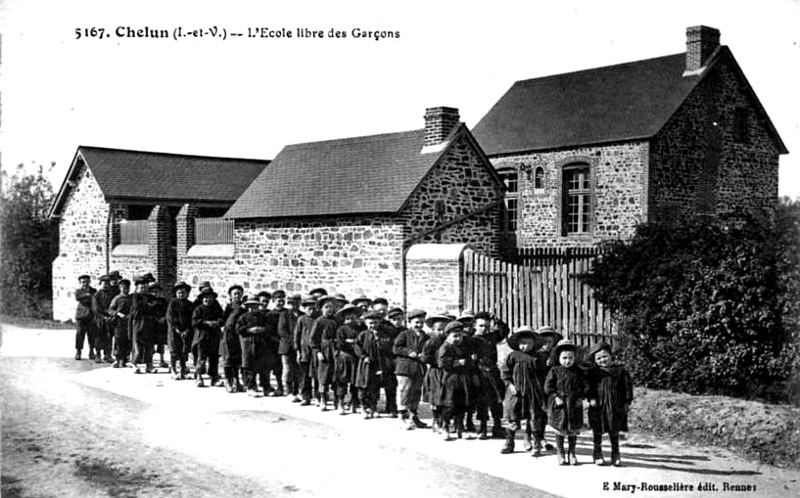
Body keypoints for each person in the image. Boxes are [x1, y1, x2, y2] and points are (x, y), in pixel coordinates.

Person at [500, 327, 547, 455]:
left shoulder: (539, 357)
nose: (525, 346)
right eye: (522, 343)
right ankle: (509, 442)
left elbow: (544, 374)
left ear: (533, 344)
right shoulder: (513, 356)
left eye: (528, 343)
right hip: (516, 391)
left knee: (534, 416)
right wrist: (510, 385)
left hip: (533, 392)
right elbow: (505, 372)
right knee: (512, 415)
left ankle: (536, 443)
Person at [586, 342, 633, 467]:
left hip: (615, 406)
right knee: (598, 430)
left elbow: (627, 387)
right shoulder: (593, 373)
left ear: (611, 356)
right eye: (599, 358)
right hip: (598, 406)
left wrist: (627, 402)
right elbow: (588, 387)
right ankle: (597, 453)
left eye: (605, 356)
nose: (602, 360)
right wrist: (591, 398)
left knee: (614, 430)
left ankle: (615, 454)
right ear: (595, 360)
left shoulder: (620, 371)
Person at [544, 339, 587, 465]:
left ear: (574, 358)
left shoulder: (578, 371)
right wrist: (556, 397)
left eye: (570, 358)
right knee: (560, 428)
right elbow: (548, 387)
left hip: (574, 403)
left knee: (573, 428)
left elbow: (585, 385)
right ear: (559, 358)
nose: (567, 361)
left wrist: (581, 397)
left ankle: (572, 452)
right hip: (559, 404)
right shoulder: (554, 370)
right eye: (564, 358)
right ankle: (560, 452)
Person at [393, 309, 429, 430]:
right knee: (404, 391)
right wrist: (409, 352)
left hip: (419, 368)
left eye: (421, 323)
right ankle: (402, 417)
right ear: (410, 322)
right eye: (416, 322)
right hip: (405, 368)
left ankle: (414, 416)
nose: (419, 325)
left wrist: (426, 356)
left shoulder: (425, 336)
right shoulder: (404, 334)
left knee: (416, 392)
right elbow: (396, 348)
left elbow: (428, 349)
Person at [472, 312, 506, 439]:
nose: (484, 329)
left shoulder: (492, 337)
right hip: (479, 373)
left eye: (486, 326)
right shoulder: (472, 340)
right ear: (475, 326)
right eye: (481, 326)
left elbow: (504, 332)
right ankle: (483, 427)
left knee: (496, 400)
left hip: (493, 372)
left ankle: (497, 426)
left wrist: (497, 320)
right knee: (482, 401)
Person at [422, 312, 451, 433]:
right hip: (435, 372)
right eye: (438, 329)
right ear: (433, 330)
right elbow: (425, 357)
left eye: (444, 329)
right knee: (435, 397)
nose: (441, 332)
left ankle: (446, 422)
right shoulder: (430, 343)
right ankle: (435, 419)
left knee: (447, 398)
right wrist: (435, 361)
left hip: (447, 372)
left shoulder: (449, 343)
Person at [353, 311, 385, 419]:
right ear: (366, 323)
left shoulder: (381, 335)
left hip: (376, 365)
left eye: (375, 323)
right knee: (363, 387)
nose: (373, 326)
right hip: (365, 365)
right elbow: (357, 347)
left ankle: (373, 408)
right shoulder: (362, 335)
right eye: (370, 323)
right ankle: (363, 408)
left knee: (374, 387)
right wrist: (363, 356)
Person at [310, 295, 339, 410]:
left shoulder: (337, 320)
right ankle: (323, 399)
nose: (329, 309)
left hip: (335, 350)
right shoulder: (319, 321)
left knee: (337, 375)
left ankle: (338, 400)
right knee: (323, 376)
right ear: (322, 309)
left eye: (331, 307)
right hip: (325, 351)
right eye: (326, 307)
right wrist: (318, 352)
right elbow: (313, 339)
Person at [333, 303, 363, 415]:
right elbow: (340, 344)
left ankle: (354, 404)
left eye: (352, 318)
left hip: (357, 358)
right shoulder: (341, 329)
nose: (350, 321)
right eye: (347, 318)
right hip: (345, 358)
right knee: (342, 381)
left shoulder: (360, 328)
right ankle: (341, 403)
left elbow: (363, 341)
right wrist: (351, 344)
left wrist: (354, 342)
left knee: (356, 382)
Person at [192, 288, 224, 387]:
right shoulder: (198, 309)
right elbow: (194, 322)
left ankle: (214, 377)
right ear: (202, 299)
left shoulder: (216, 308)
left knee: (214, 358)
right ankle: (199, 377)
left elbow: (222, 319)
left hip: (214, 336)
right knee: (201, 358)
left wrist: (217, 323)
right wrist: (206, 323)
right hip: (202, 336)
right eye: (205, 298)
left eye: (210, 298)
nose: (208, 300)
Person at [237, 298, 269, 397]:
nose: (252, 309)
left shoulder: (262, 316)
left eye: (254, 307)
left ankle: (266, 387)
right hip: (248, 344)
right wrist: (249, 330)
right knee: (249, 366)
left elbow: (269, 327)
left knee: (263, 367)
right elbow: (239, 329)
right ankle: (251, 387)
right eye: (250, 307)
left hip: (261, 344)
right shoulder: (243, 317)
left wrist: (262, 329)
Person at [128, 276, 159, 374]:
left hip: (149, 323)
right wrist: (148, 306)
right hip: (138, 322)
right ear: (137, 288)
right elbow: (138, 308)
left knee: (149, 345)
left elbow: (155, 307)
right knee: (137, 343)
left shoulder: (151, 297)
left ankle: (149, 365)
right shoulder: (134, 297)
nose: (144, 289)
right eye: (142, 288)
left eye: (146, 287)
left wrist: (149, 306)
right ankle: (134, 364)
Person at [294, 296, 319, 405]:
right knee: (305, 376)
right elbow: (297, 336)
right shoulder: (301, 320)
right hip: (304, 352)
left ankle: (319, 396)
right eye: (309, 309)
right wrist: (298, 352)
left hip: (316, 352)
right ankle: (306, 397)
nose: (311, 311)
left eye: (313, 308)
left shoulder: (318, 319)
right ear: (304, 309)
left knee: (317, 375)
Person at [220, 285, 246, 393]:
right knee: (228, 358)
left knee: (237, 359)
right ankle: (228, 381)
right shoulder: (229, 307)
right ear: (230, 295)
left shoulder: (245, 307)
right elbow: (224, 321)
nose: (237, 295)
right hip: (228, 335)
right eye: (235, 293)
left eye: (239, 293)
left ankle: (237, 381)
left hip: (238, 336)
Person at [166, 282, 194, 379]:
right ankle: (173, 369)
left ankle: (183, 369)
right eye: (179, 293)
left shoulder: (190, 304)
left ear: (187, 294)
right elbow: (170, 317)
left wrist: (187, 330)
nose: (181, 295)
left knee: (183, 351)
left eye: (183, 293)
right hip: (174, 331)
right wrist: (176, 328)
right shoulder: (173, 303)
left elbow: (192, 319)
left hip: (185, 331)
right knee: (174, 350)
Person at [279, 293, 304, 401]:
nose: (295, 305)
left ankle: (296, 391)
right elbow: (282, 330)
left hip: (299, 347)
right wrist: (294, 340)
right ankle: (288, 391)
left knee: (298, 370)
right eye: (293, 303)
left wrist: (299, 342)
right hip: (287, 347)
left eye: (297, 303)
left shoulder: (302, 315)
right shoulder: (285, 314)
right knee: (288, 369)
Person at [264, 290, 287, 396]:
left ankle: (281, 387)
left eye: (283, 300)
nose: (281, 303)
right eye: (278, 300)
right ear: (273, 301)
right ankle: (268, 387)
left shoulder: (287, 313)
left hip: (285, 344)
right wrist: (277, 340)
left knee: (281, 368)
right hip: (272, 345)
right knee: (270, 366)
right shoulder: (270, 315)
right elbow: (268, 331)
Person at [91, 274, 116, 364]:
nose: (106, 285)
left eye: (108, 284)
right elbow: (95, 309)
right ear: (100, 284)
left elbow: (113, 306)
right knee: (98, 337)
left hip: (109, 319)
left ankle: (108, 355)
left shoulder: (111, 294)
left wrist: (111, 315)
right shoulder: (96, 295)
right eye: (104, 283)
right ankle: (98, 355)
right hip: (99, 319)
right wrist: (103, 316)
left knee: (109, 337)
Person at [108, 279, 133, 368]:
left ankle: (126, 359)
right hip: (119, 322)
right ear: (120, 288)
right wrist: (118, 314)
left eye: (126, 288)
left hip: (129, 323)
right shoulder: (117, 298)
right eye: (122, 287)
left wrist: (130, 315)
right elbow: (110, 310)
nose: (125, 289)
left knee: (128, 340)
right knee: (119, 340)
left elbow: (134, 309)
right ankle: (118, 360)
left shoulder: (131, 298)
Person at [74, 274, 96, 360]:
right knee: (80, 334)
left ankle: (91, 351)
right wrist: (88, 296)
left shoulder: (94, 290)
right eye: (83, 282)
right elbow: (78, 298)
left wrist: (88, 296)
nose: (85, 284)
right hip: (81, 316)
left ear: (89, 282)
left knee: (92, 334)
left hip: (91, 315)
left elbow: (94, 300)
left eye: (87, 282)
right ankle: (78, 351)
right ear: (80, 282)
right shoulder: (78, 291)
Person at [149, 283, 170, 369]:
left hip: (161, 324)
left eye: (157, 291)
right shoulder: (149, 300)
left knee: (161, 343)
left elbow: (167, 311)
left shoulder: (163, 301)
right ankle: (151, 361)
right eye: (153, 292)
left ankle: (162, 360)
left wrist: (164, 318)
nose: (155, 293)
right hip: (152, 324)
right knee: (151, 343)